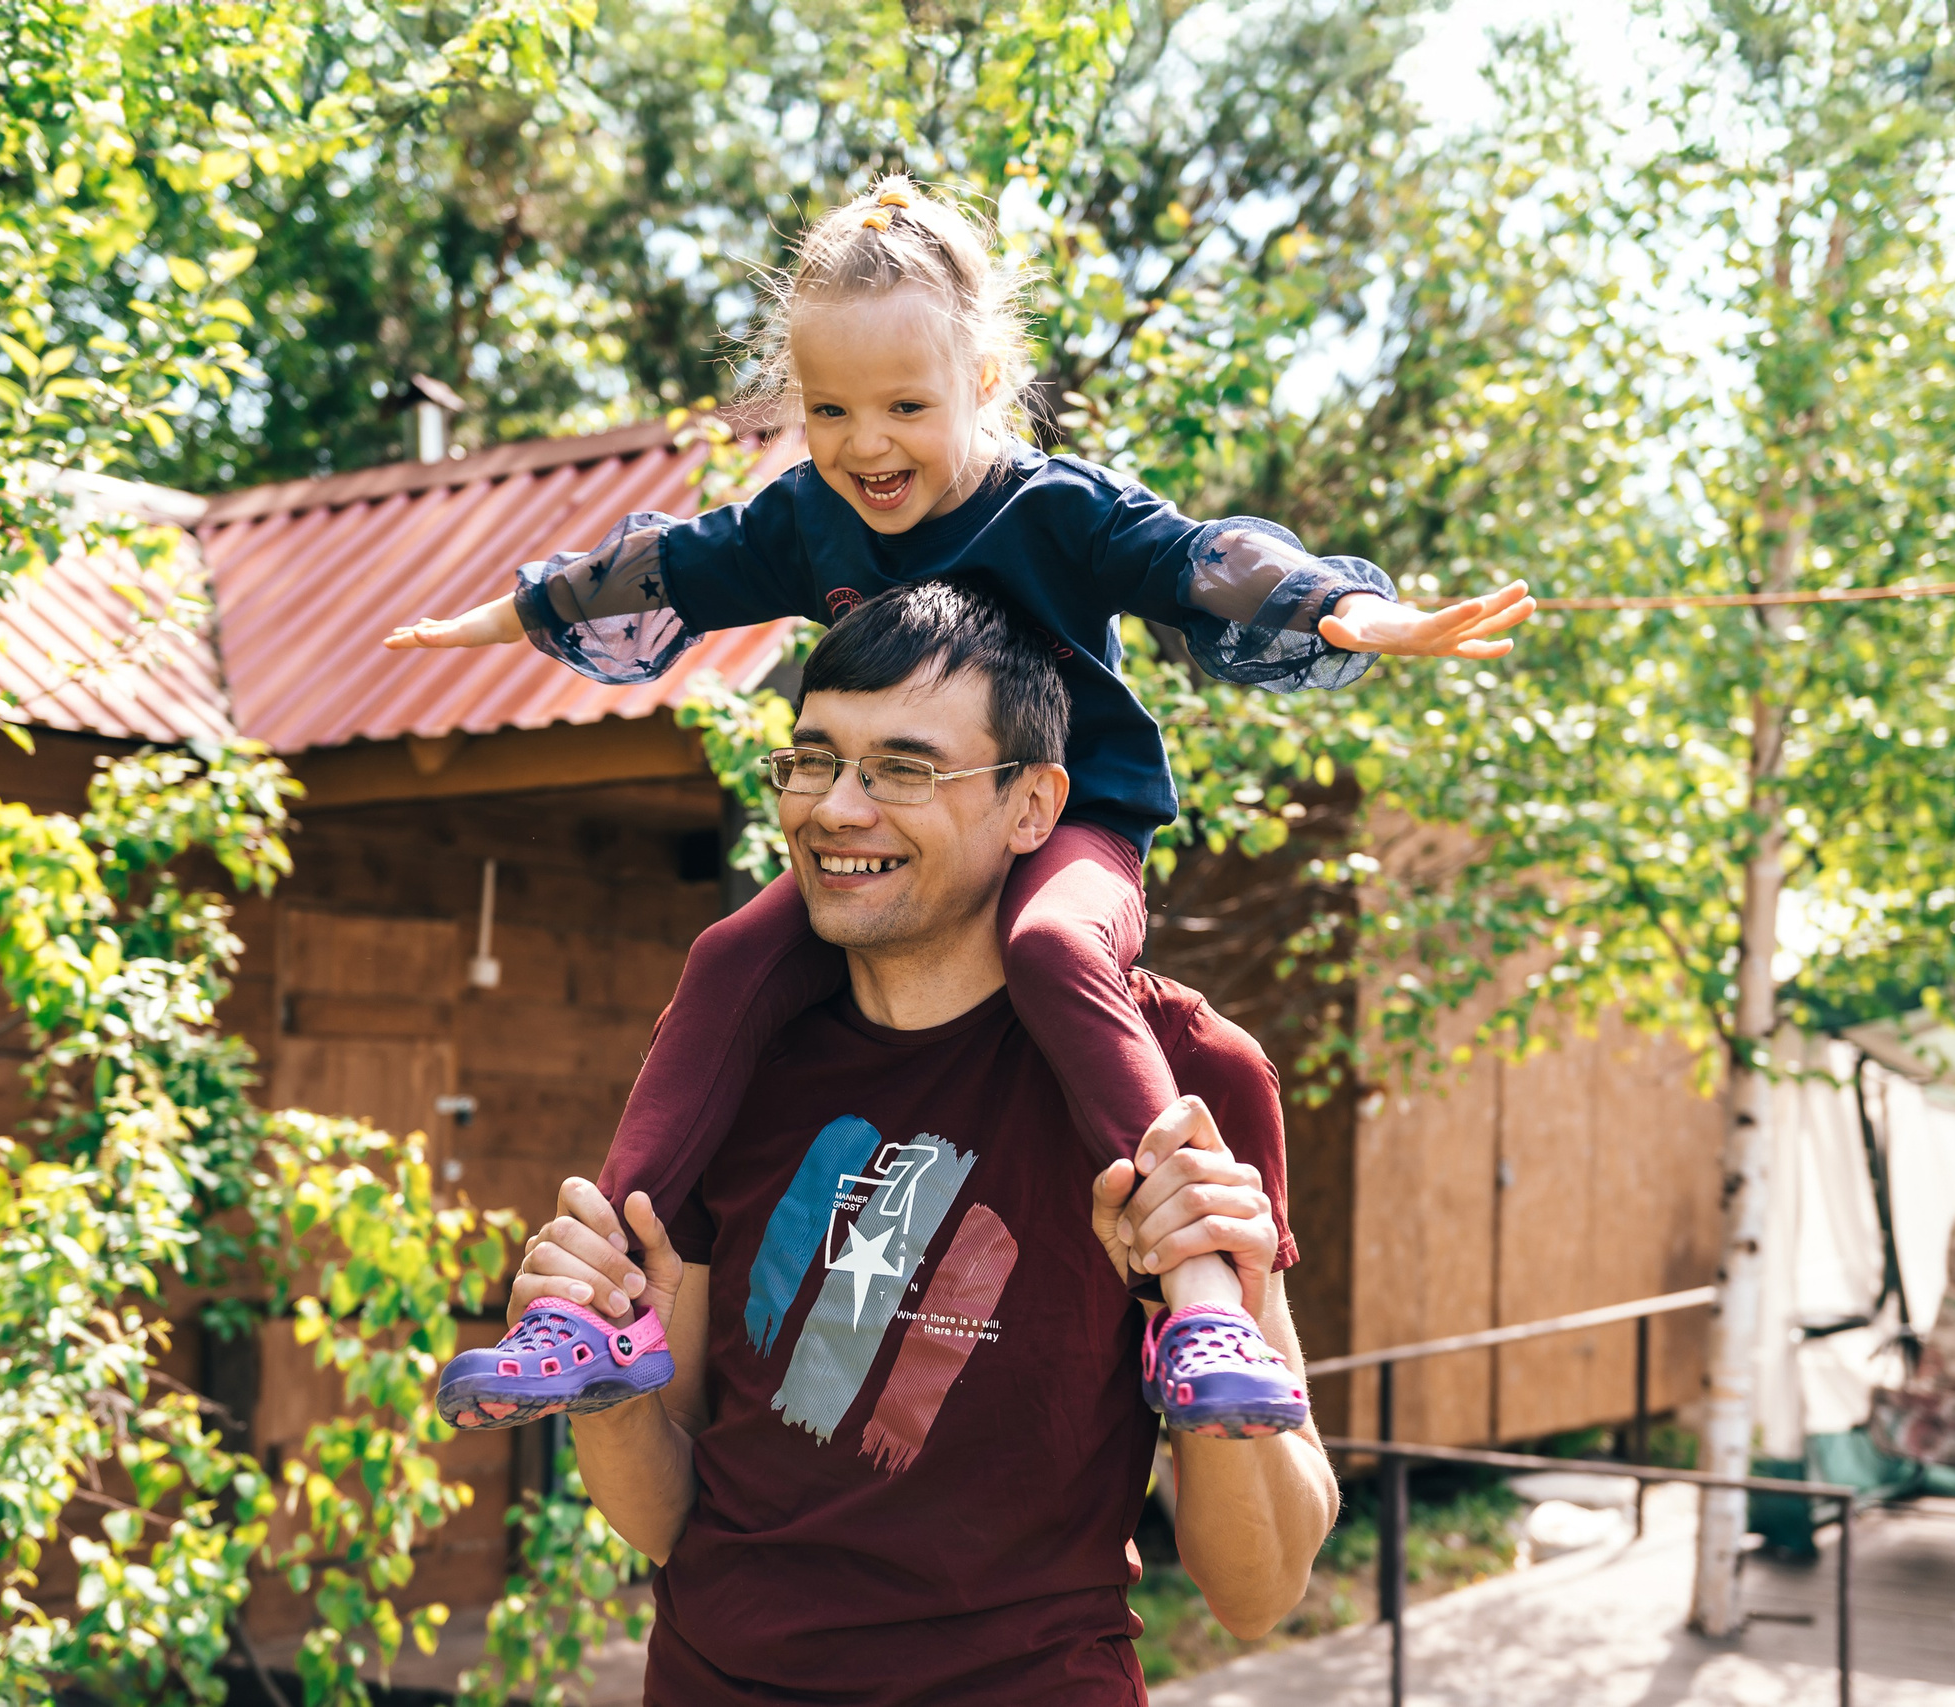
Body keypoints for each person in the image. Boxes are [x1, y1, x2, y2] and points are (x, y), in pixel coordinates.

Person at [393, 174, 1532, 1435]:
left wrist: (1351, 613)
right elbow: (674, 567)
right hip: (900, 829)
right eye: (828, 410)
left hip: (1071, 818)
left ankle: (1201, 1302)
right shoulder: (810, 518)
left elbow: (1199, 563)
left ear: (983, 382)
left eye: (904, 407)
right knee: (726, 957)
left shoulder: (1056, 508)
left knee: (1049, 948)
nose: (865, 444)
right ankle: (595, 1304)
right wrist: (504, 615)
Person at [444, 582, 1337, 1702]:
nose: (835, 810)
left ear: (1032, 805)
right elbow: (668, 1518)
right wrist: (611, 1381)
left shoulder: (1180, 1076)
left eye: (904, 771)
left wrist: (1205, 1291)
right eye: (812, 762)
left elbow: (1257, 1591)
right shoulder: (734, 1052)